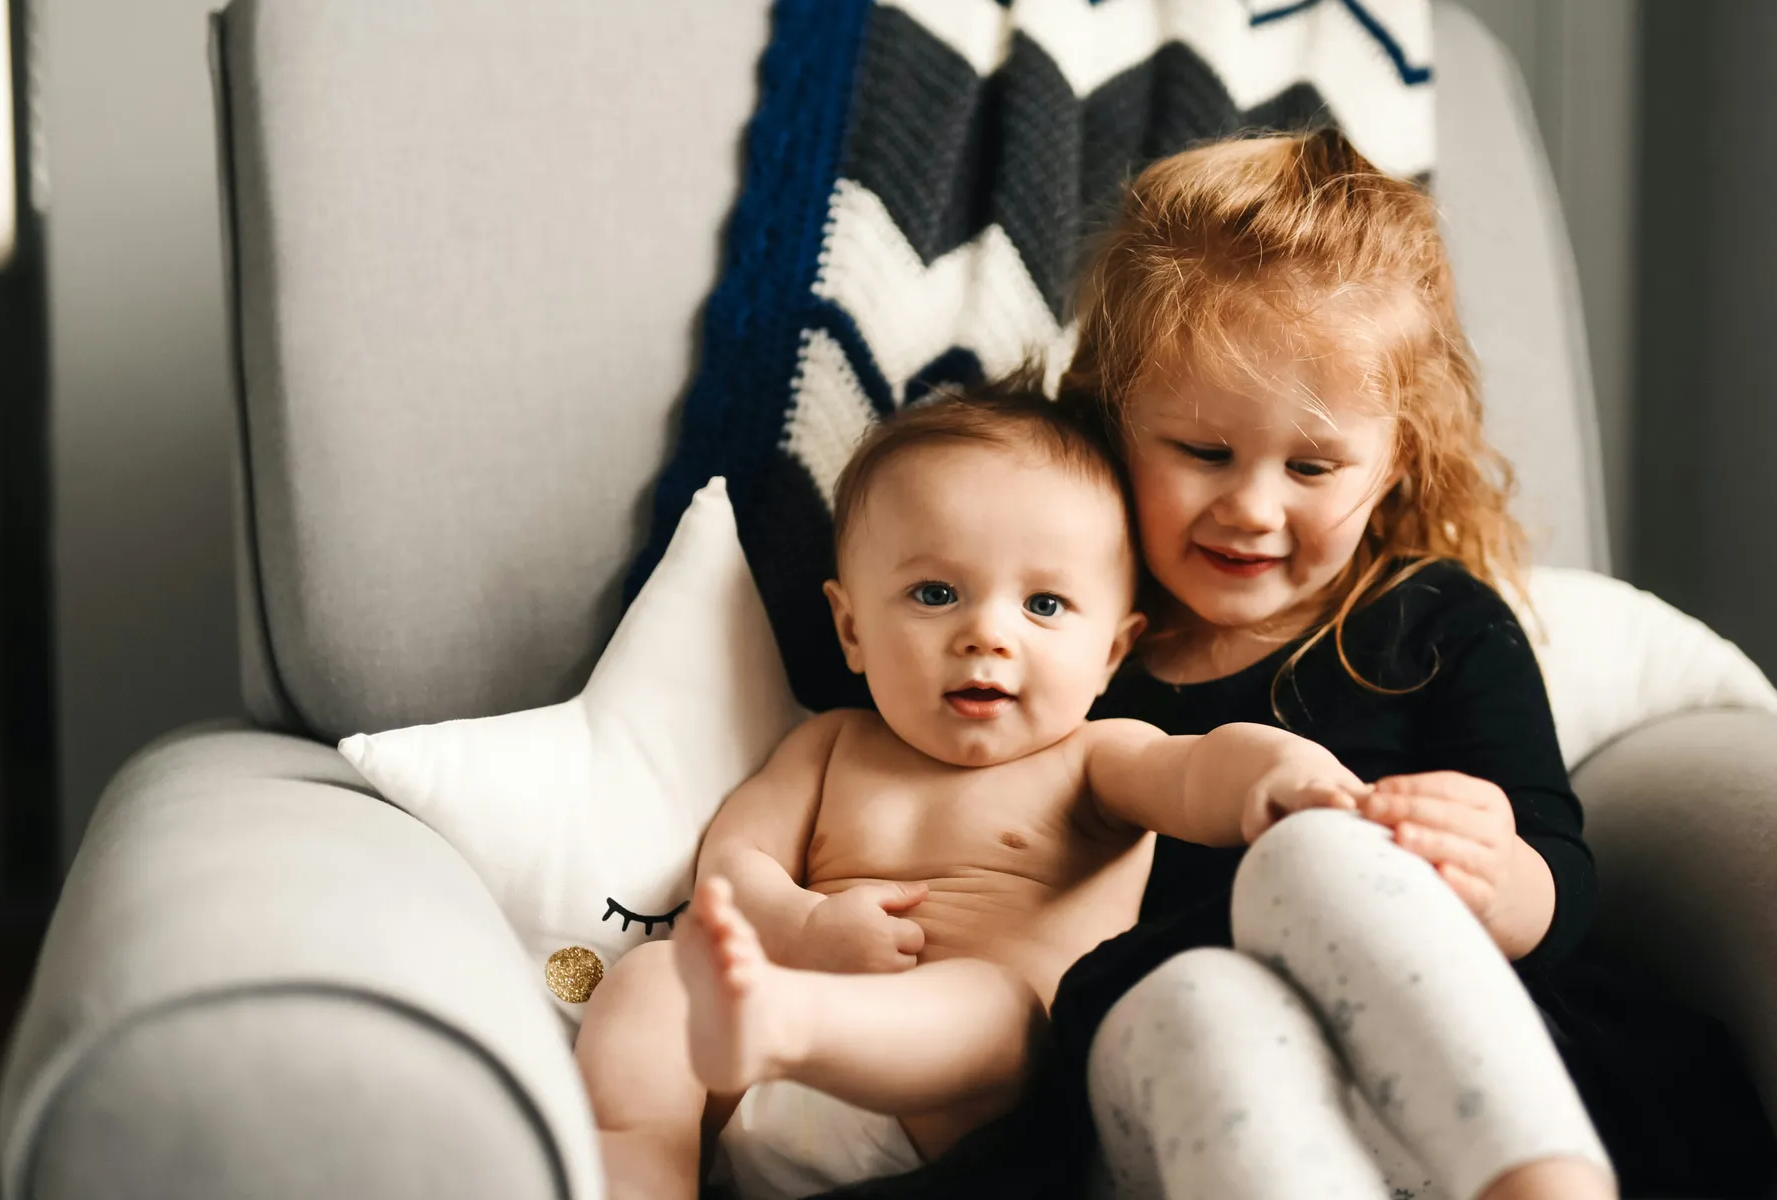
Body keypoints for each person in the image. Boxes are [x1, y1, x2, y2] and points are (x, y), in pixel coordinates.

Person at [574, 381, 1368, 1200]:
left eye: (1045, 603)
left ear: (1110, 654)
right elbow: (733, 866)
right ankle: (641, 1172)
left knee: (998, 1009)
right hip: (755, 1075)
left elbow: (1200, 770)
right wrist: (801, 925)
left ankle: (787, 1026)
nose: (987, 633)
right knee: (651, 979)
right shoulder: (830, 744)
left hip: (959, 1124)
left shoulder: (1096, 760)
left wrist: (1280, 776)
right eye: (935, 594)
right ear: (851, 629)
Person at [1047, 127, 1625, 1200]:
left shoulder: (1432, 622)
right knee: (1202, 998)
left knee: (1313, 852)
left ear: (1394, 455)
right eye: (1202, 451)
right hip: (1176, 1087)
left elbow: (1563, 868)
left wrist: (1504, 878)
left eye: (1313, 465)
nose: (1253, 508)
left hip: (1435, 1083)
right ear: (1111, 413)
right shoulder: (1063, 636)